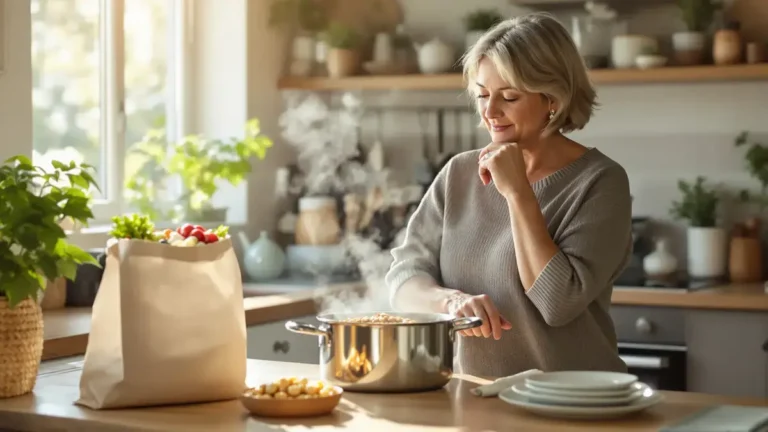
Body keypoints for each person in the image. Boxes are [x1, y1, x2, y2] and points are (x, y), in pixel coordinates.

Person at [385, 12, 633, 378]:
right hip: (473, 400)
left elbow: (557, 303)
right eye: (482, 95)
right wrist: (450, 302)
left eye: (509, 97)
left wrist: (518, 193)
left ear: (553, 98)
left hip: (574, 405)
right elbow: (403, 279)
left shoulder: (600, 182)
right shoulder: (459, 174)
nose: (490, 112)